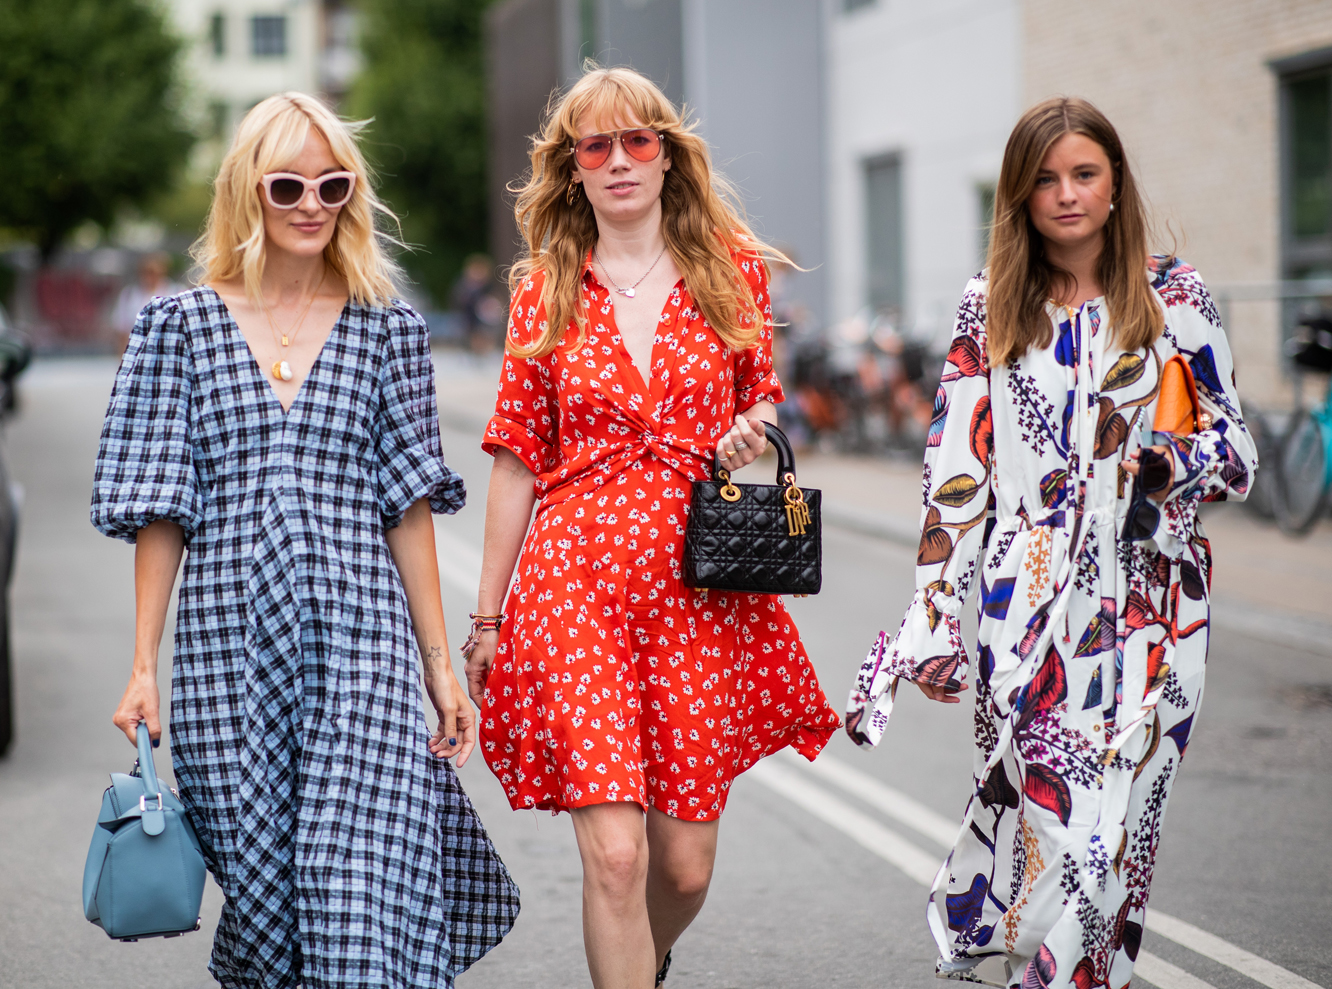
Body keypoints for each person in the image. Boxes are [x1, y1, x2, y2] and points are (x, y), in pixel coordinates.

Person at [91, 92, 518, 988]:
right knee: (268, 909)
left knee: (358, 886)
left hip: (361, 643)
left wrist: (440, 665)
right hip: (224, 654)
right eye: (287, 185)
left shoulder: (388, 327)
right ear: (248, 191)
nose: (311, 204)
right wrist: (143, 663)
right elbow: (163, 510)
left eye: (333, 185)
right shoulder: (179, 329)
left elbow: (409, 508)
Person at [844, 97, 1256, 988]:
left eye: (1084, 174)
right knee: (1056, 817)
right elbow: (954, 476)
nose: (1065, 194)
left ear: (1115, 187)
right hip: (1024, 598)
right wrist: (933, 615)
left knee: (1125, 817)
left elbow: (1240, 452)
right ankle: (1042, 951)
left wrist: (1169, 462)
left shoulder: (1175, 296)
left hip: (1157, 597)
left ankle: (1070, 973)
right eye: (1045, 179)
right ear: (1019, 196)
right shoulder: (987, 305)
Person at [464, 66, 841, 989]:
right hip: (574, 584)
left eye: (640, 140)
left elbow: (760, 404)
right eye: (598, 145)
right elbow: (516, 457)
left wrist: (747, 438)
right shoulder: (543, 290)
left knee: (681, 867)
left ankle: (647, 956)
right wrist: (486, 617)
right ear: (574, 168)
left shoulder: (730, 269)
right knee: (618, 859)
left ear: (667, 156)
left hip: (696, 587)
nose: (621, 159)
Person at [110, 252, 180, 356]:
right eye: (147, 272)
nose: (150, 276)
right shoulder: (130, 294)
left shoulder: (175, 293)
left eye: (155, 272)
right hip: (138, 354)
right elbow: (122, 330)